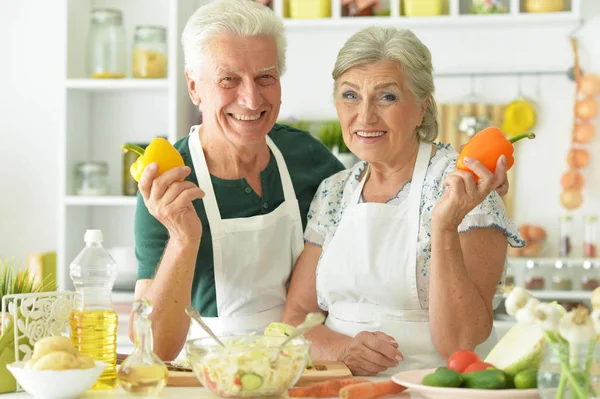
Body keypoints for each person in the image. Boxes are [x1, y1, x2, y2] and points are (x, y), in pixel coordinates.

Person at [282, 26, 525, 376]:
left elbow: (461, 343)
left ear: (421, 107)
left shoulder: (465, 187)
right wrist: (343, 349)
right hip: (342, 388)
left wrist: (443, 227)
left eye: (387, 97)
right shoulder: (334, 192)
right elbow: (295, 320)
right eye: (350, 96)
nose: (365, 116)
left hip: (433, 388)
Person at [130, 0, 345, 361]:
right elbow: (153, 348)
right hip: (207, 373)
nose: (251, 98)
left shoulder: (305, 156)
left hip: (304, 368)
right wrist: (183, 238)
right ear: (194, 86)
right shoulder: (170, 183)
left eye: (266, 77)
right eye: (229, 79)